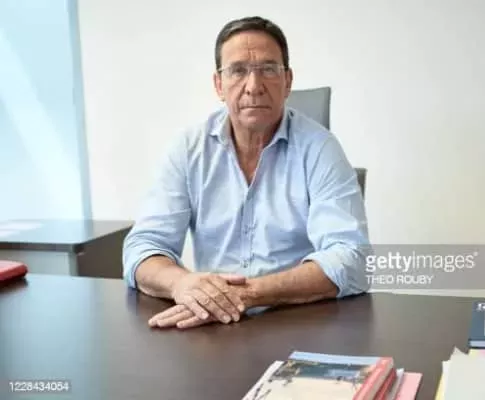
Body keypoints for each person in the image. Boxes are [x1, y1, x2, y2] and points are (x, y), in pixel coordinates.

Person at [122, 16, 371, 330]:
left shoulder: (320, 148)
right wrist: (182, 284)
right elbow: (143, 247)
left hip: (297, 322)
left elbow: (352, 257)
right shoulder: (188, 148)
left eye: (268, 69)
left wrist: (249, 293)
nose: (254, 87)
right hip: (213, 326)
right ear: (219, 84)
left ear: (288, 81)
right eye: (238, 70)